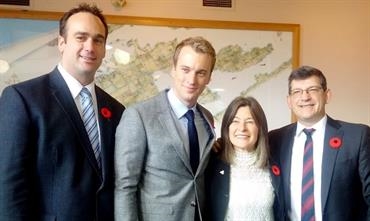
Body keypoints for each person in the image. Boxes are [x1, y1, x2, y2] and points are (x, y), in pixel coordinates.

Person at [0, 3, 125, 221]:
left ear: (104, 48)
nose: (90, 47)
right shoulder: (22, 98)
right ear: (61, 43)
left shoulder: (116, 110)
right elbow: (9, 184)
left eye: (98, 40)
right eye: (81, 37)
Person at [114, 36, 216, 221]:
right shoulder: (139, 115)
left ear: (209, 77)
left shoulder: (207, 118)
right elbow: (124, 187)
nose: (191, 80)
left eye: (201, 72)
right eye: (185, 69)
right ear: (173, 69)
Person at [269, 65, 370, 221]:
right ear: (289, 101)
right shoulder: (274, 139)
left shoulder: (357, 136)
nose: (305, 97)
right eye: (297, 92)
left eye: (312, 89)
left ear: (327, 95)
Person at [205, 96, 284, 221]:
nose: (242, 128)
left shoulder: (275, 165)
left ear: (260, 128)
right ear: (227, 127)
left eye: (250, 121)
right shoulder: (212, 164)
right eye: (235, 121)